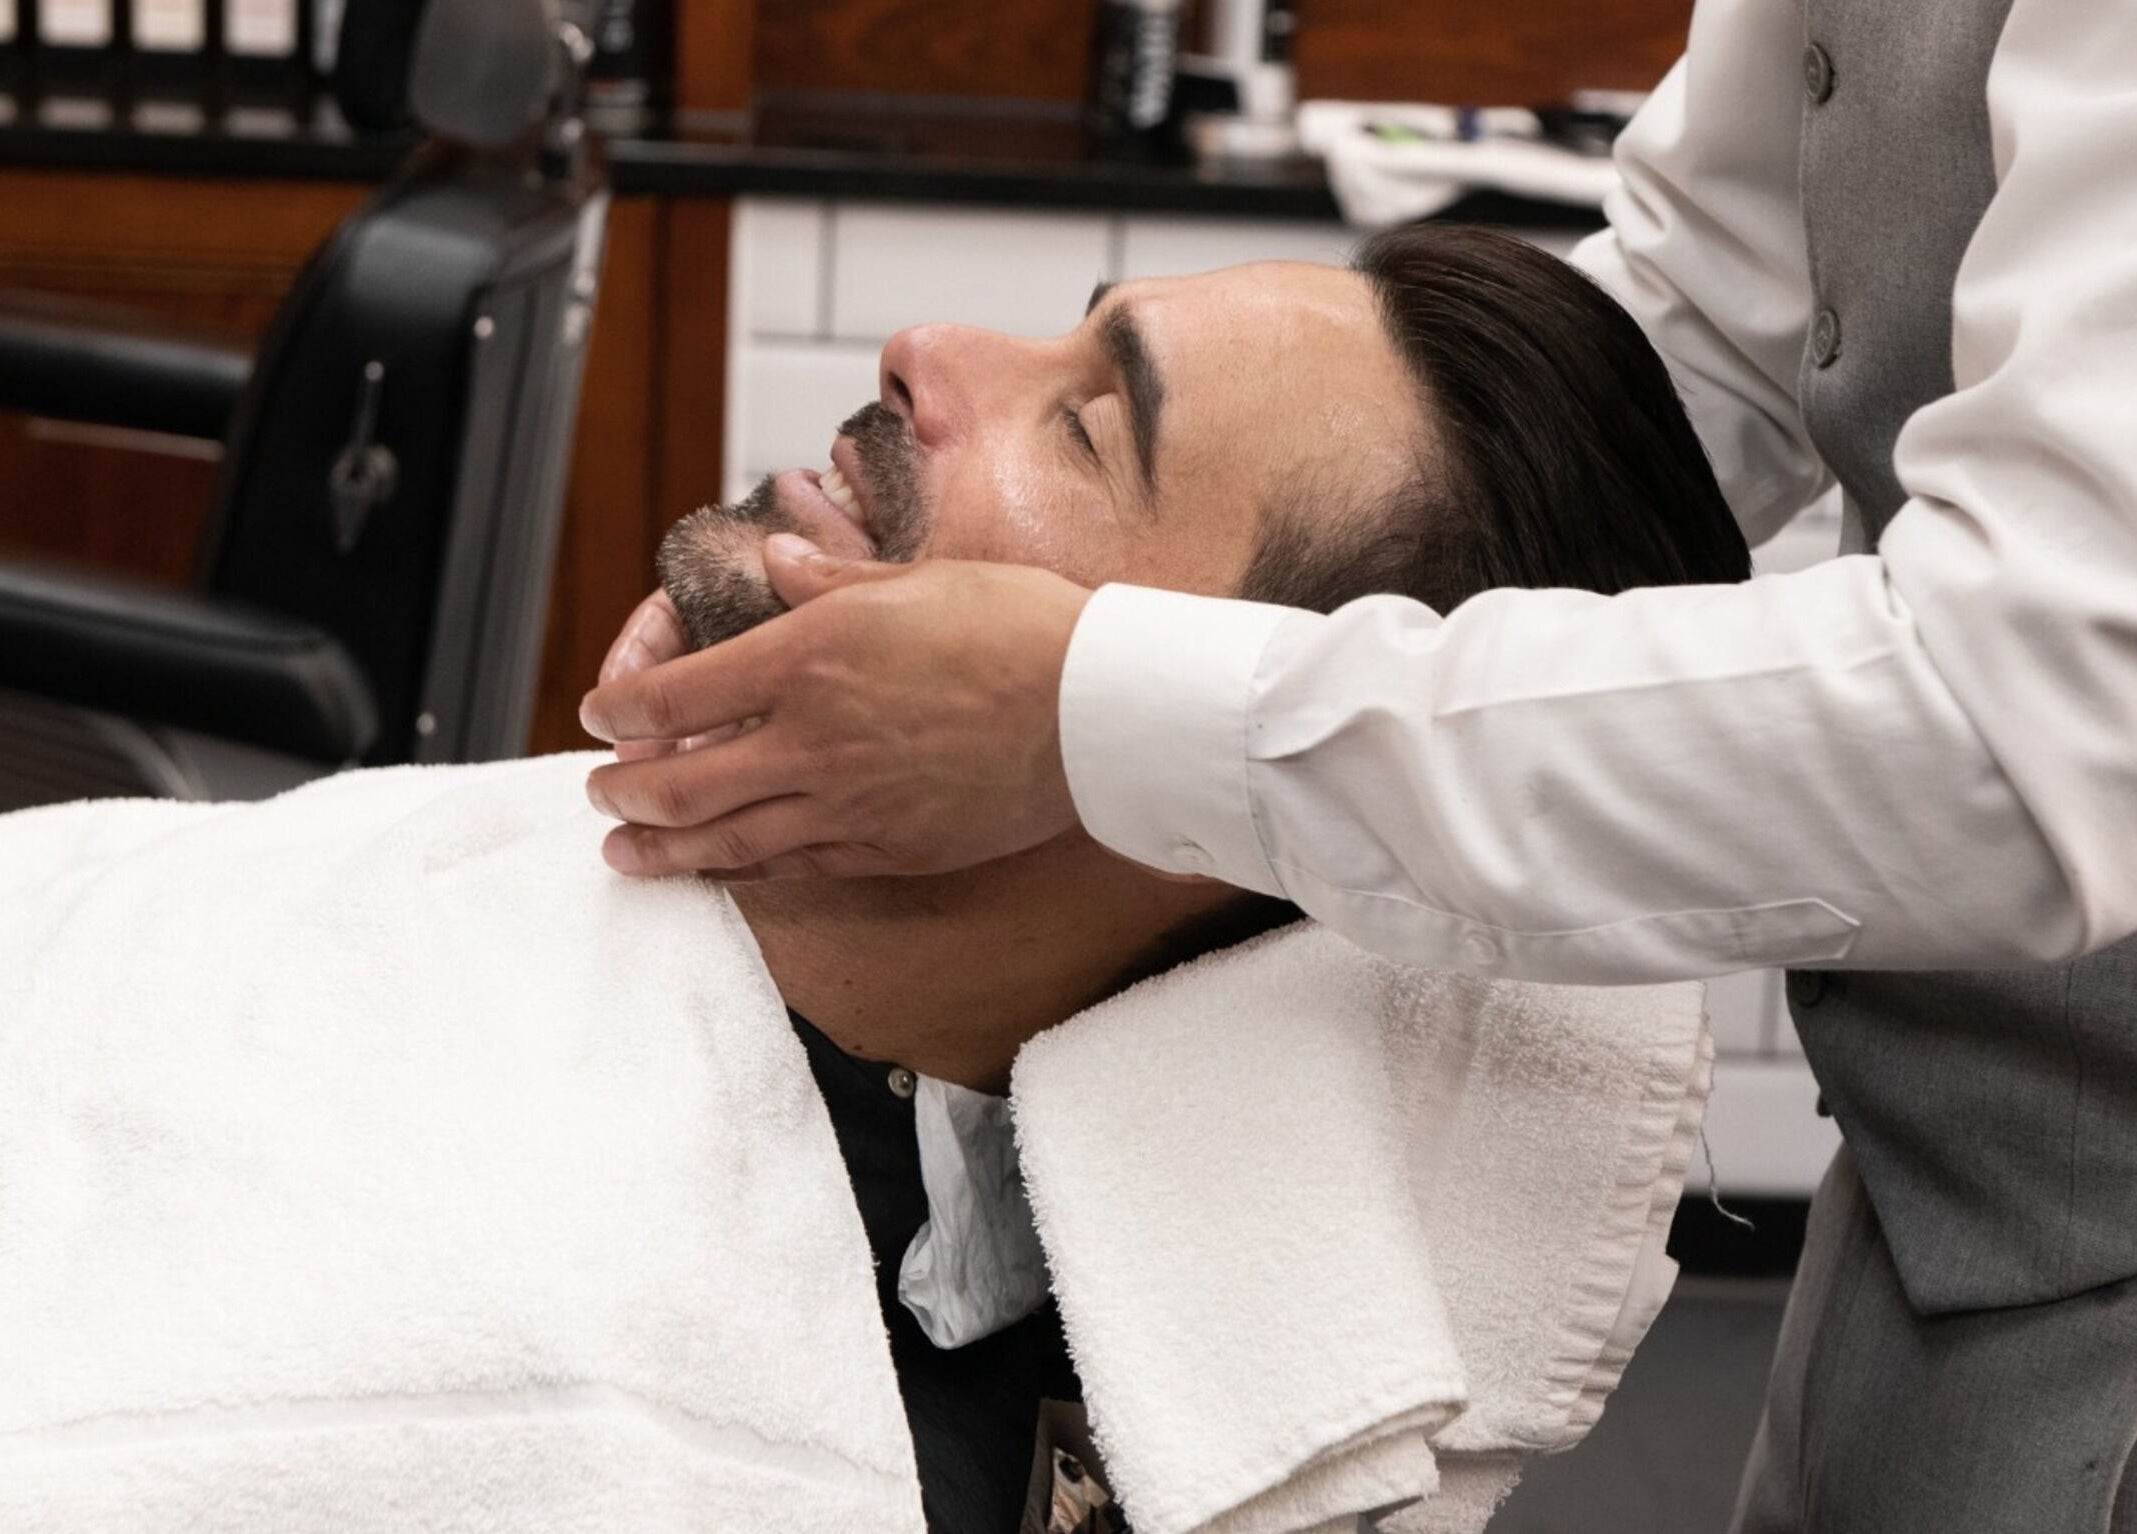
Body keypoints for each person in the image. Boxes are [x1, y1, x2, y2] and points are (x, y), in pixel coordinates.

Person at [578, 1, 2137, 1529]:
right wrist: (804, 582)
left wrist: (1092, 708)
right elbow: (1691, 338)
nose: (920, 347)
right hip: (1953, 1183)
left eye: (1089, 431)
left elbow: (2039, 717)